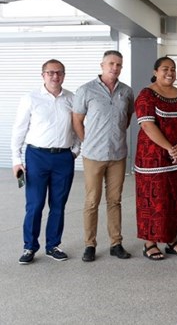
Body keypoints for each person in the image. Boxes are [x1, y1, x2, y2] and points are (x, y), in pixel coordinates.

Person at [12, 59, 78, 264]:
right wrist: (16, 159)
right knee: (35, 204)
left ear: (64, 75)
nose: (55, 76)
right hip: (37, 156)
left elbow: (77, 127)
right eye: (50, 73)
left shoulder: (72, 99)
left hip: (63, 158)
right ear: (43, 75)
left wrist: (74, 151)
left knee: (58, 204)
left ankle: (53, 246)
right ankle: (29, 247)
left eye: (59, 73)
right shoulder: (30, 98)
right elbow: (19, 129)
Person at [72, 50, 134, 262]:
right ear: (102, 65)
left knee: (114, 201)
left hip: (118, 154)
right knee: (91, 201)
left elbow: (126, 119)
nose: (115, 68)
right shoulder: (86, 90)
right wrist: (87, 142)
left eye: (118, 65)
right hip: (93, 155)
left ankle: (116, 243)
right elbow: (77, 121)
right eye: (111, 64)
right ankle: (90, 244)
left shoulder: (126, 92)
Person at [134, 57, 177, 260]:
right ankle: (150, 243)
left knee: (175, 199)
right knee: (153, 200)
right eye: (165, 69)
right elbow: (147, 125)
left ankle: (171, 239)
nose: (170, 72)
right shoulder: (146, 95)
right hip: (153, 158)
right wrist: (170, 148)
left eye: (173, 69)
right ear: (156, 71)